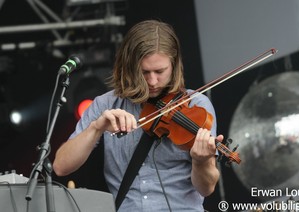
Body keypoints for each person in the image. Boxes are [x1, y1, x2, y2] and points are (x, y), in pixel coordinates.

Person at [53, 19, 222, 212]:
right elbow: (61, 166)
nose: (152, 81)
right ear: (130, 67)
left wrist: (201, 162)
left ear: (174, 65)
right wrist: (96, 127)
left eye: (160, 71)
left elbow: (207, 188)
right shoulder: (106, 105)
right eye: (144, 72)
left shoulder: (196, 106)